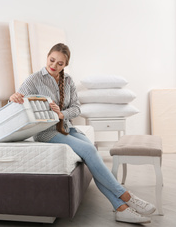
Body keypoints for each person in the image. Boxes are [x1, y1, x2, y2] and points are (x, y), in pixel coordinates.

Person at [9, 43, 156, 224]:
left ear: (65, 65)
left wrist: (62, 114)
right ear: (47, 57)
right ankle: (124, 196)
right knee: (90, 151)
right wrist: (13, 98)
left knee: (90, 153)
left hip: (67, 127)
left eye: (60, 63)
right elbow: (15, 103)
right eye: (52, 60)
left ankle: (121, 208)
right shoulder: (34, 79)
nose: (54, 65)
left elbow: (77, 108)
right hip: (46, 131)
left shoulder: (68, 81)